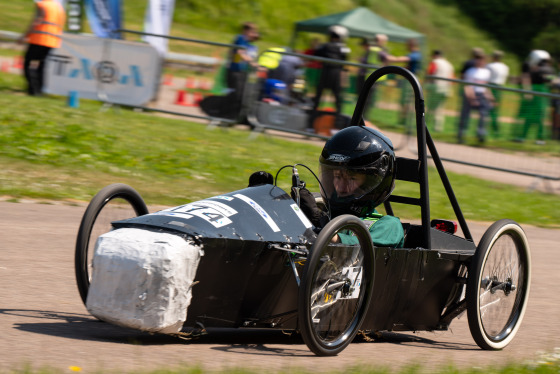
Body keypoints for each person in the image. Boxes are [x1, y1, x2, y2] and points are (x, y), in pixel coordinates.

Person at [295, 126, 405, 248]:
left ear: (370, 183)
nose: (341, 187)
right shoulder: (324, 213)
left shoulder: (388, 225)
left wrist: (321, 228)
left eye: (352, 179)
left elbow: (360, 249)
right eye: (337, 176)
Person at [18, 0, 66, 96]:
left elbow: (36, 21)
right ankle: (40, 90)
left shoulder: (42, 5)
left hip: (39, 39)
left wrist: (25, 36)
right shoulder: (59, 8)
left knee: (28, 63)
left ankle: (33, 90)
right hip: (52, 41)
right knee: (42, 65)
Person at [309, 25, 351, 131]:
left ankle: (311, 125)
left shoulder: (325, 46)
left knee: (317, 100)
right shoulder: (344, 48)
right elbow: (345, 59)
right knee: (337, 101)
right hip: (336, 74)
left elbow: (316, 54)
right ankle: (337, 126)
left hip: (325, 72)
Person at [516, 50, 555, 144]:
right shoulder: (550, 70)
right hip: (542, 96)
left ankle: (526, 137)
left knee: (532, 117)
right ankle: (538, 138)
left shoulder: (536, 70)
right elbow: (551, 81)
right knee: (539, 117)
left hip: (535, 96)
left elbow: (525, 79)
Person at [457, 52, 494, 144]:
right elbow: (467, 86)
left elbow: (485, 86)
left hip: (481, 95)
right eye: (478, 59)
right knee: (465, 116)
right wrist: (471, 98)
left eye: (482, 59)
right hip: (470, 94)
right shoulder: (470, 71)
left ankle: (480, 134)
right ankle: (461, 135)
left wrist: (490, 97)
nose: (480, 61)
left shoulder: (486, 72)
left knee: (483, 115)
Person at [226, 22, 259, 105]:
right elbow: (240, 53)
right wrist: (252, 62)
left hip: (240, 71)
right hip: (235, 70)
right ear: (245, 31)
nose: (253, 34)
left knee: (240, 93)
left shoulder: (245, 41)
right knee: (236, 93)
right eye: (251, 32)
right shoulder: (240, 38)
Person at [425, 50, 455, 132]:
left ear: (434, 55)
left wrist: (427, 83)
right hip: (446, 88)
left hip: (436, 87)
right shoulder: (449, 64)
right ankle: (438, 127)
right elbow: (452, 77)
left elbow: (430, 72)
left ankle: (425, 124)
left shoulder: (435, 62)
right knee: (440, 108)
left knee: (431, 107)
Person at [355, 37, 384, 118]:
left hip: (369, 78)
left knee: (367, 100)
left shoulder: (375, 51)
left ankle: (364, 118)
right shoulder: (368, 52)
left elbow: (387, 58)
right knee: (361, 99)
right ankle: (360, 117)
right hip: (363, 77)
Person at [486, 50, 510, 137]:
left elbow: (486, 77)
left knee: (488, 108)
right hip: (500, 87)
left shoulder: (489, 66)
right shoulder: (505, 67)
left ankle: (489, 127)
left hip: (491, 86)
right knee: (495, 109)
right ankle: (495, 128)